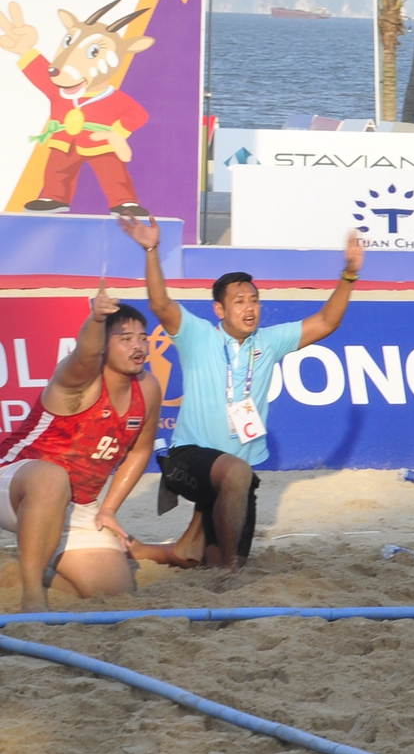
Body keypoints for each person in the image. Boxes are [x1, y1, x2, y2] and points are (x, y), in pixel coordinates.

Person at [121, 216, 363, 568]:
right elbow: (160, 304)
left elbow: (327, 321)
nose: (250, 308)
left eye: (254, 300)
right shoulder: (197, 334)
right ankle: (231, 574)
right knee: (235, 488)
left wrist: (349, 275)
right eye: (239, 301)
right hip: (189, 458)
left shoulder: (269, 340)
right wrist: (152, 249)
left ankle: (151, 551)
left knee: (203, 555)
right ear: (220, 309)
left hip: (236, 473)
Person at [0, 290, 176, 610]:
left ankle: (28, 573)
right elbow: (84, 354)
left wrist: (108, 508)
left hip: (76, 501)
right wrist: (96, 318)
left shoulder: (148, 387)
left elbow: (139, 452)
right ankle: (32, 597)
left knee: (114, 592)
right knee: (52, 478)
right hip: (15, 482)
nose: (138, 346)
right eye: (125, 338)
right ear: (105, 347)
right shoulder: (80, 379)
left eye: (142, 337)